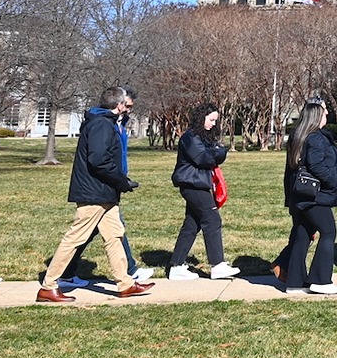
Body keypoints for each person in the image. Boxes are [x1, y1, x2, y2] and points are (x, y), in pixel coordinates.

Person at [37, 87, 154, 303]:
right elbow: (99, 160)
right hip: (94, 192)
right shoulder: (101, 124)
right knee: (75, 238)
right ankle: (49, 285)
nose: (126, 110)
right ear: (118, 105)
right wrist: (121, 181)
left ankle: (125, 284)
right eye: (125, 105)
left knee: (114, 236)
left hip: (104, 193)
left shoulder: (104, 122)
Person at [281, 98, 337, 295]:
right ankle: (321, 280)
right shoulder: (315, 138)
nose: (327, 115)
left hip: (300, 195)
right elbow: (316, 165)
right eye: (324, 113)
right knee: (328, 232)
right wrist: (332, 181)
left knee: (302, 235)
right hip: (314, 195)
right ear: (317, 116)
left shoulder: (299, 135)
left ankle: (295, 282)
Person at [167, 103, 234, 281]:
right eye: (211, 119)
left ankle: (176, 266)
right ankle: (218, 265)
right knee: (212, 220)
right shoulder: (190, 137)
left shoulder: (200, 137)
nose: (213, 124)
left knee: (192, 225)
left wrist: (217, 151)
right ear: (201, 117)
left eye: (215, 121)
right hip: (193, 185)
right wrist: (220, 151)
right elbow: (204, 159)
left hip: (197, 184)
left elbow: (211, 155)